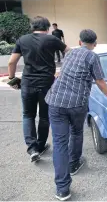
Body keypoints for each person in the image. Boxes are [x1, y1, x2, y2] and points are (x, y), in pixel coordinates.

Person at [45, 29, 107, 201]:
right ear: (94, 44)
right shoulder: (92, 56)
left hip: (55, 100)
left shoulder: (70, 53)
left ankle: (62, 189)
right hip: (76, 103)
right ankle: (74, 163)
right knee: (76, 132)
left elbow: (61, 73)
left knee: (59, 143)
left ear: (80, 41)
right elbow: (100, 80)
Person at [7, 16, 70, 163]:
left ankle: (32, 148)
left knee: (28, 115)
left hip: (28, 83)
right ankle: (41, 145)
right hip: (47, 83)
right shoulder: (52, 39)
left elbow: (11, 62)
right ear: (47, 28)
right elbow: (70, 52)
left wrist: (12, 78)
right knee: (44, 116)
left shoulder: (22, 40)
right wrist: (63, 70)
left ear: (32, 27)